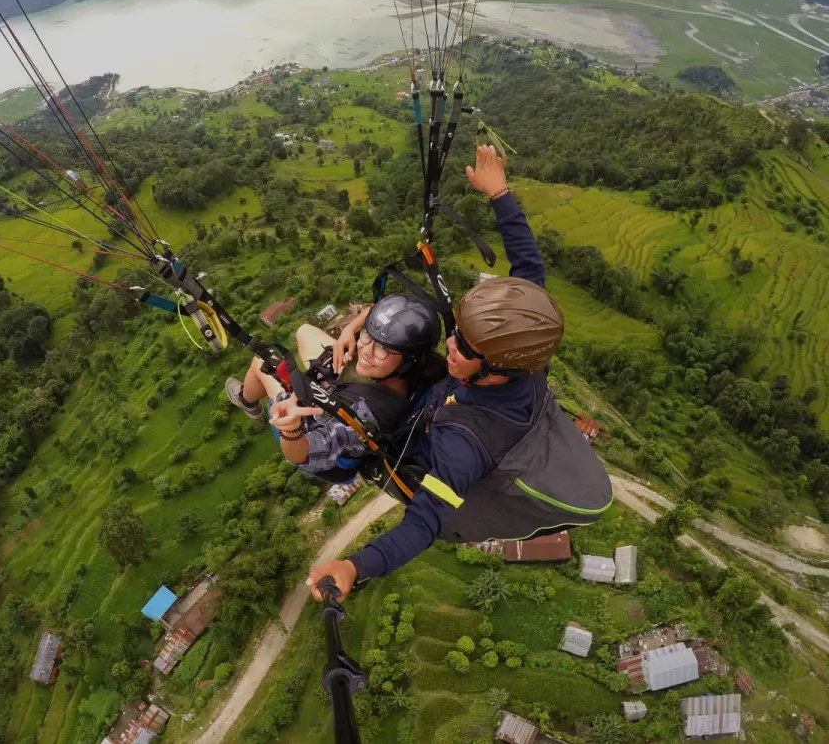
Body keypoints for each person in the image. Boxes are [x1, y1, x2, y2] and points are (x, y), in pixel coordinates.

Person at [305, 143, 612, 600]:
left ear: (493, 367)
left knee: (303, 343)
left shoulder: (464, 444)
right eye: (458, 333)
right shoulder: (524, 353)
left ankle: (254, 400)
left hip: (407, 432)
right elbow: (530, 273)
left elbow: (425, 521)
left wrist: (356, 566)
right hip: (428, 400)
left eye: (463, 344)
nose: (449, 342)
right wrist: (499, 193)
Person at [225, 293, 441, 480]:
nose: (366, 350)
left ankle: (248, 402)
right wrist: (351, 329)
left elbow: (303, 456)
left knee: (261, 364)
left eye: (383, 348)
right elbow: (375, 309)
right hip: (350, 389)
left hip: (326, 450)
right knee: (304, 331)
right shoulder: (416, 365)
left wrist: (291, 427)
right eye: (368, 335)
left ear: (408, 361)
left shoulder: (366, 417)